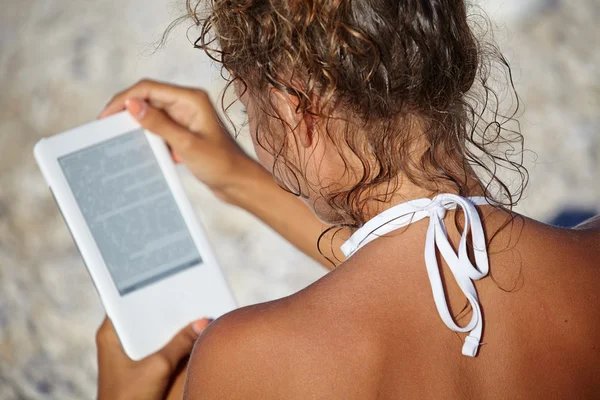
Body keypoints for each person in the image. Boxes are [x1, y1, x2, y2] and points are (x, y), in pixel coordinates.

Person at [95, 0, 600, 398]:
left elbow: (398, 277)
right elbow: (418, 273)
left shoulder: (246, 358)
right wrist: (236, 179)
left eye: (248, 106)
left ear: (297, 109)